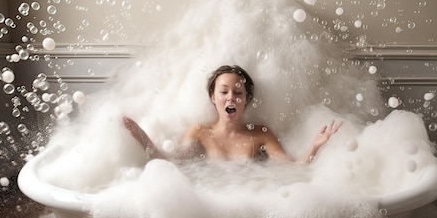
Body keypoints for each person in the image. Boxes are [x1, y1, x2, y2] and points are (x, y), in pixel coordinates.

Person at [122, 65, 342, 163]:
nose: (231, 98)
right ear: (212, 96)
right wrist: (143, 139)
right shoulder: (200, 132)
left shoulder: (261, 135)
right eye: (224, 91)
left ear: (246, 100)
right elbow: (173, 163)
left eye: (238, 93)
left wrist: (314, 146)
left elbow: (292, 171)